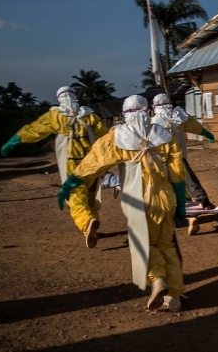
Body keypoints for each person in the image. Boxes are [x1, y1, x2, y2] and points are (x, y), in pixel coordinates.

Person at [57, 95, 187, 312]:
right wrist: (180, 204)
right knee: (167, 245)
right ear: (148, 111)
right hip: (166, 197)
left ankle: (157, 280)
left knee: (142, 244)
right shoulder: (165, 135)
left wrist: (68, 185)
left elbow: (92, 164)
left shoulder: (118, 136)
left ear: (125, 114)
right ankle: (175, 298)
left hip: (138, 199)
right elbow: (178, 174)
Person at [0, 86, 108, 248]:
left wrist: (15, 139)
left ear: (59, 99)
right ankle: (92, 223)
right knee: (90, 195)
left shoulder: (55, 116)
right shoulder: (90, 115)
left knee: (74, 197)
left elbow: (35, 130)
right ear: (75, 96)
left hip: (71, 164)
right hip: (90, 163)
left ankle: (87, 222)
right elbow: (103, 139)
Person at [151, 93, 216, 235]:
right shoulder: (178, 117)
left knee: (167, 188)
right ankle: (200, 201)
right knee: (185, 178)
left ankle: (185, 215)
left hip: (159, 160)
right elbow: (195, 126)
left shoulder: (152, 122)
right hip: (177, 156)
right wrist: (208, 134)